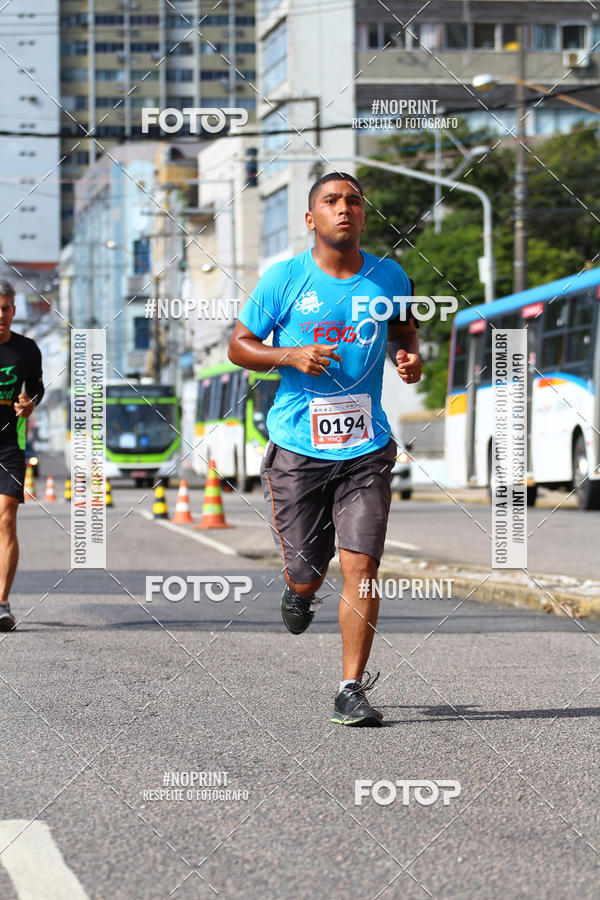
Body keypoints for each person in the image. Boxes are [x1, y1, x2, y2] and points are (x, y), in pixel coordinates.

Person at [228, 172, 422, 726]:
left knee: (362, 567)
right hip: (297, 447)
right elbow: (239, 346)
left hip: (366, 447)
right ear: (311, 219)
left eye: (354, 201)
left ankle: (350, 687)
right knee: (308, 572)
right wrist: (289, 356)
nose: (345, 209)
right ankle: (298, 590)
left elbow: (404, 331)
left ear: (363, 215)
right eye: (332, 202)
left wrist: (408, 358)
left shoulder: (390, 277)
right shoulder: (284, 279)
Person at [0, 280, 45, 631]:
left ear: (13, 311)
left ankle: (1, 603)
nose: (0, 315)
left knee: (6, 519)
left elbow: (37, 389)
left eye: (5, 308)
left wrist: (30, 405)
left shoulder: (27, 350)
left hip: (9, 446)